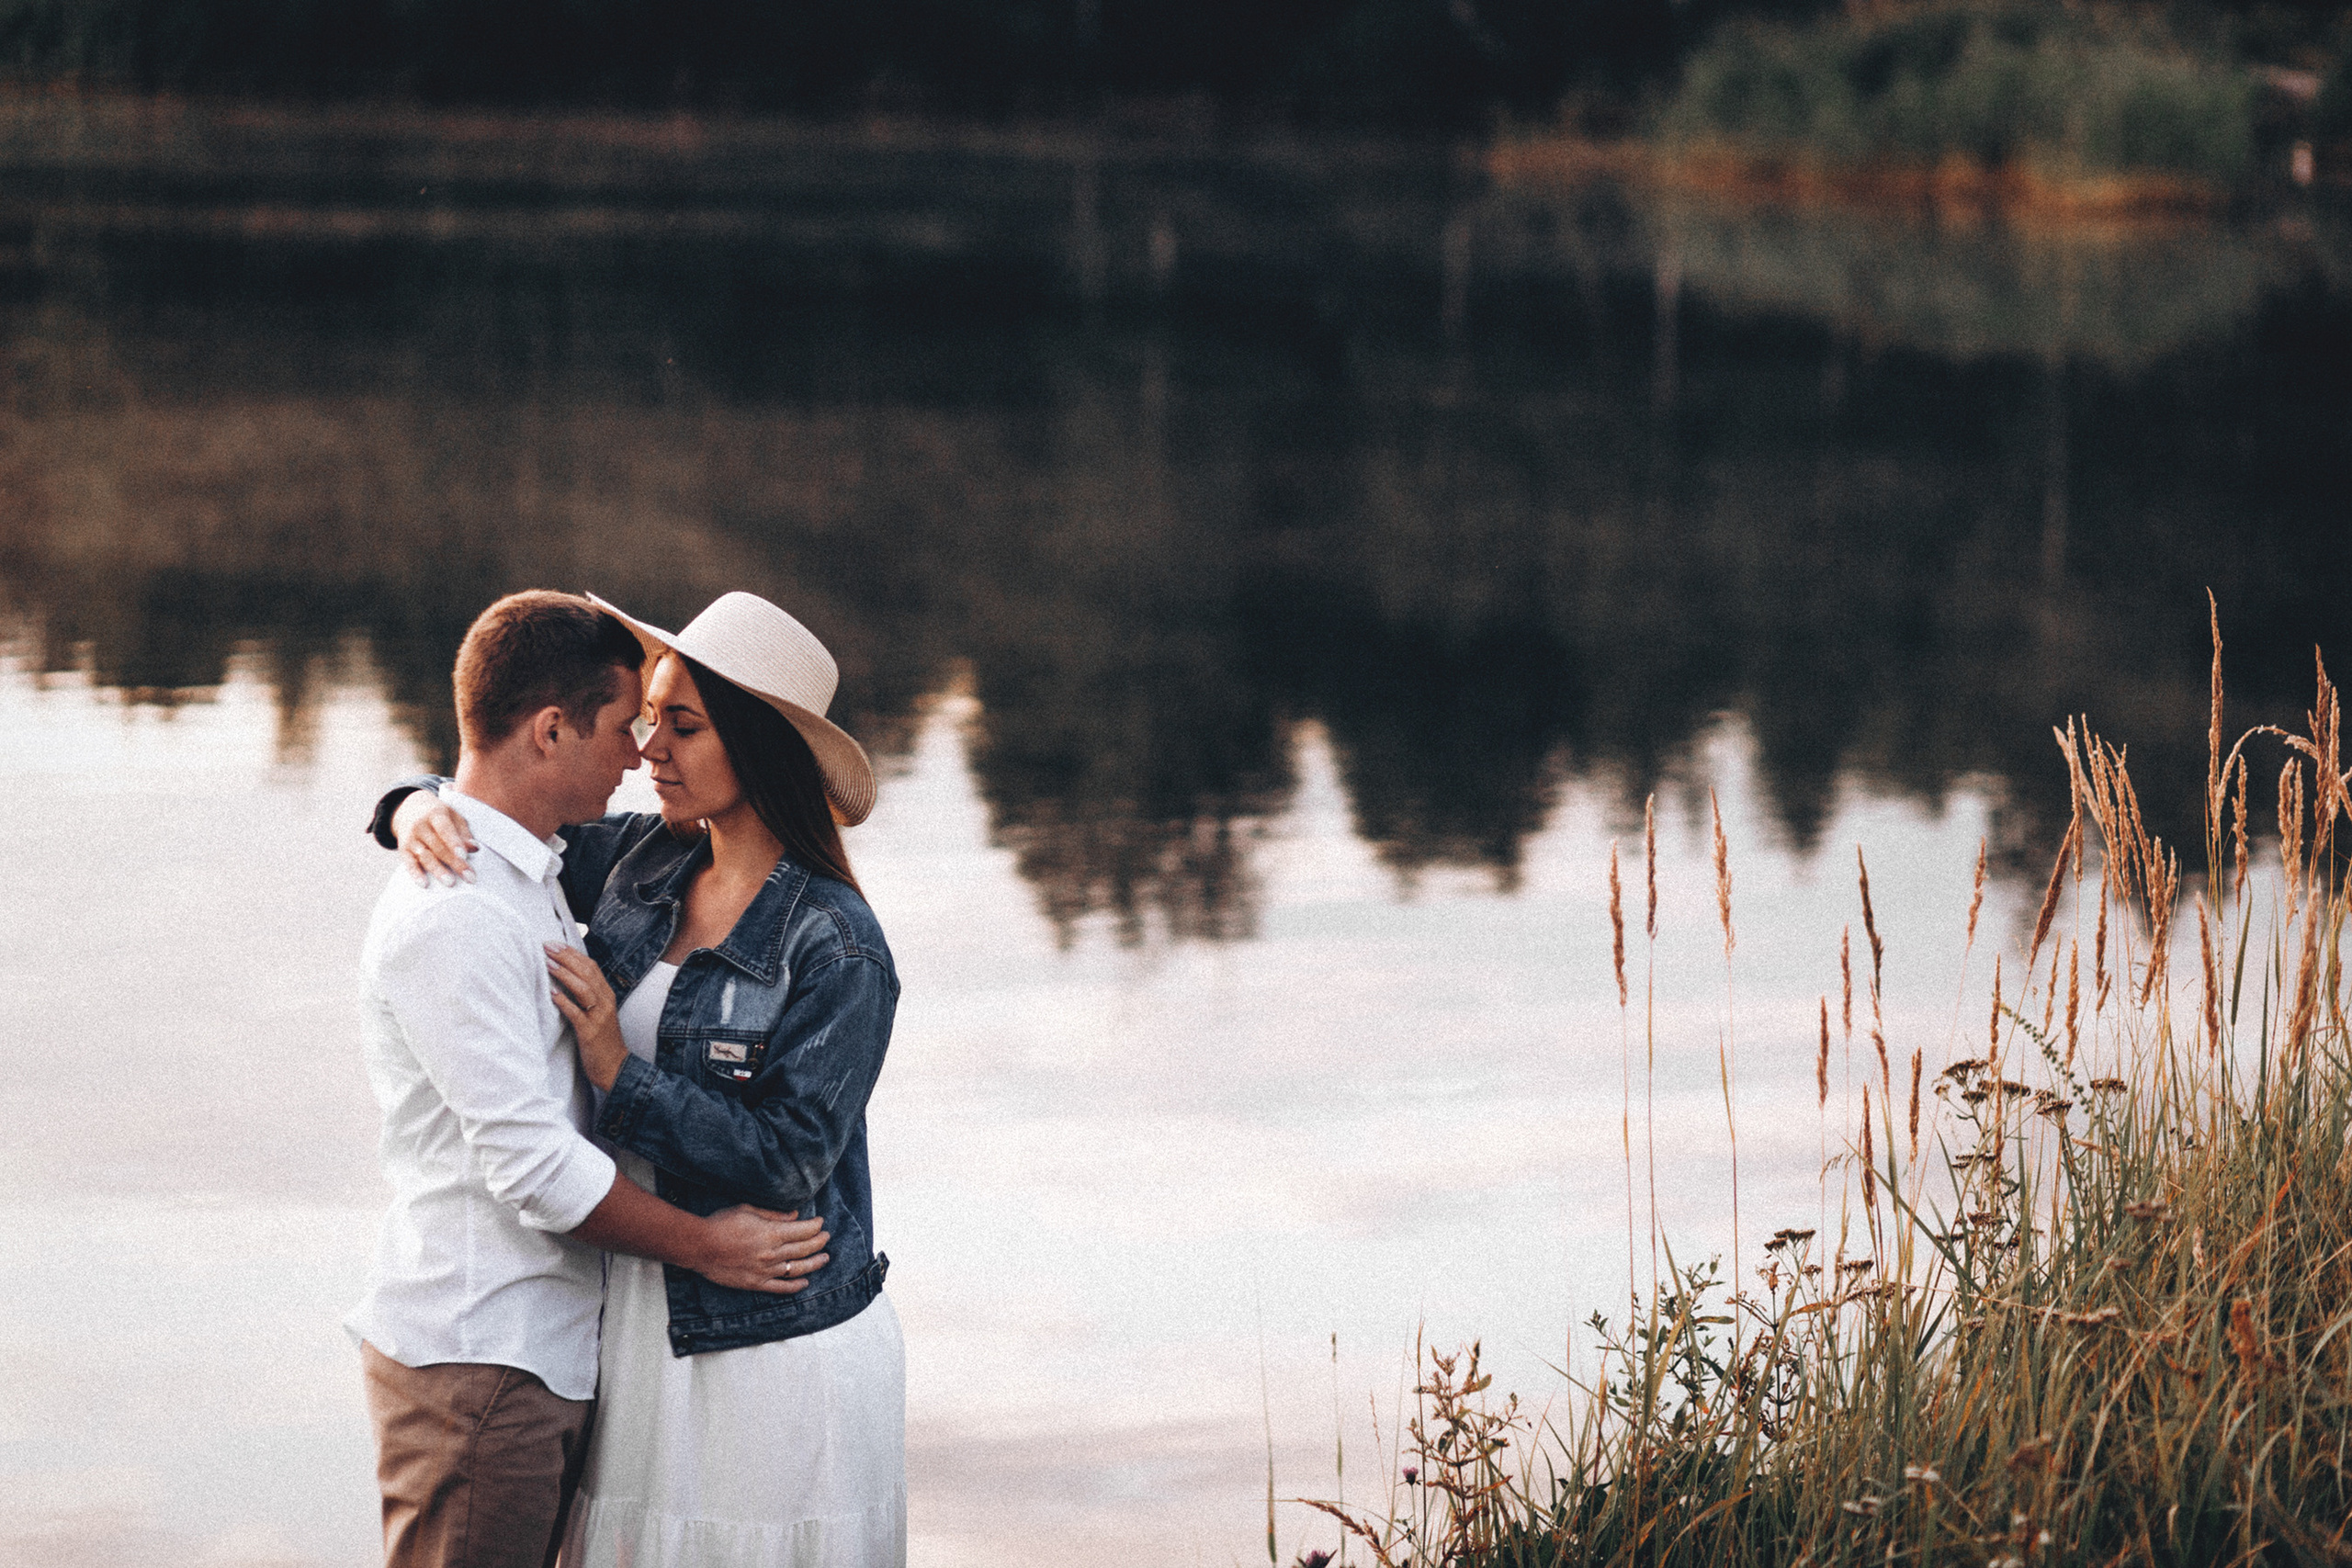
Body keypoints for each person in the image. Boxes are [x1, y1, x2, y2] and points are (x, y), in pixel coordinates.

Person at [379, 590, 907, 1568]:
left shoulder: (838, 944)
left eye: (683, 725)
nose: (646, 749)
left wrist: (621, 1077)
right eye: (646, 717)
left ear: (760, 748)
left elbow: (791, 1160)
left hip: (768, 1331)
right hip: (638, 1317)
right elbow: (502, 799)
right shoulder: (637, 861)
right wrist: (410, 805)